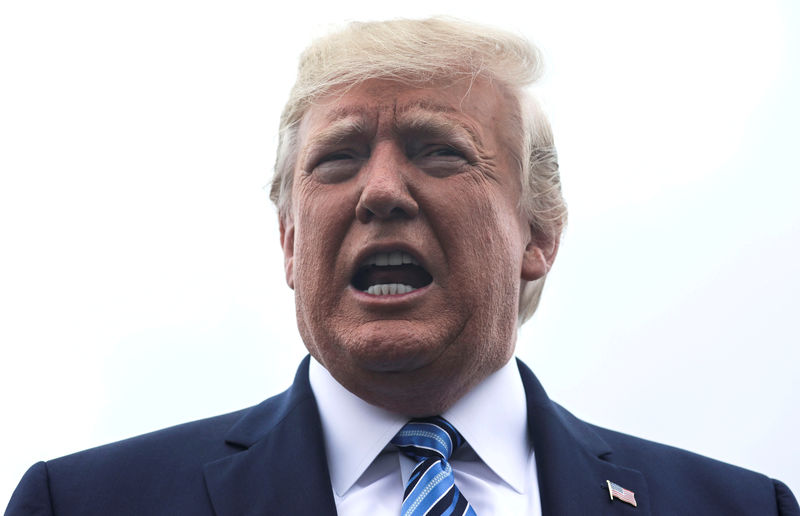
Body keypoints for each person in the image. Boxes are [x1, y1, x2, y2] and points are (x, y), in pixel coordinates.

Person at [5, 17, 799, 516]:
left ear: (540, 235)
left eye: (439, 151)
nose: (381, 191)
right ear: (288, 242)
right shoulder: (81, 504)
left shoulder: (738, 507)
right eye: (339, 158)